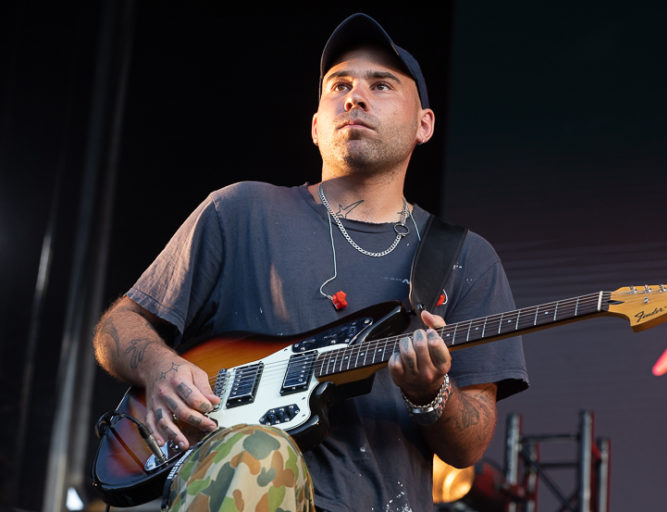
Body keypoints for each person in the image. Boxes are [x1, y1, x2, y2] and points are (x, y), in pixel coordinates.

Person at [93, 13, 528, 512]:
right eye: (339, 85)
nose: (355, 97)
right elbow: (117, 327)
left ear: (423, 125)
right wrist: (160, 365)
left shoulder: (466, 258)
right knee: (261, 450)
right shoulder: (240, 211)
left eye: (381, 85)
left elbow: (469, 445)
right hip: (233, 493)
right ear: (317, 125)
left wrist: (431, 393)